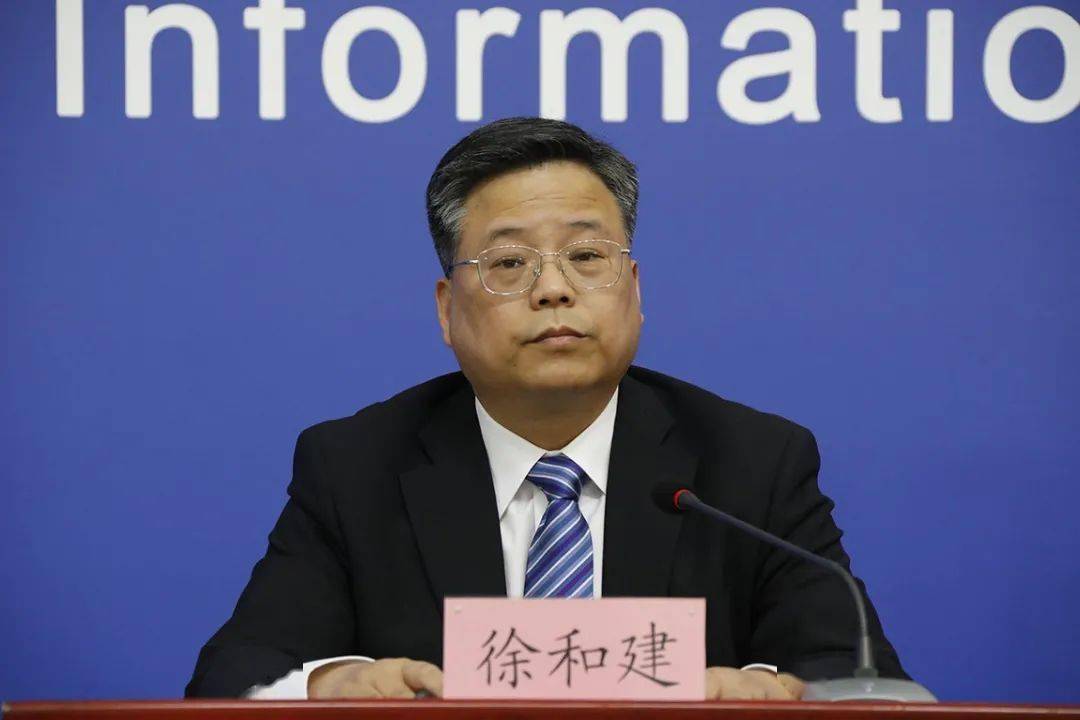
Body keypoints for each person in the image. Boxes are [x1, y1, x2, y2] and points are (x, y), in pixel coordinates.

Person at [185, 117, 907, 701]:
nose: (554, 289)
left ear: (634, 288)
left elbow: (855, 677)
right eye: (509, 264)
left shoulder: (752, 463)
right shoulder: (355, 467)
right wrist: (326, 685)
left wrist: (760, 693)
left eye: (587, 257)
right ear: (447, 309)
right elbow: (233, 676)